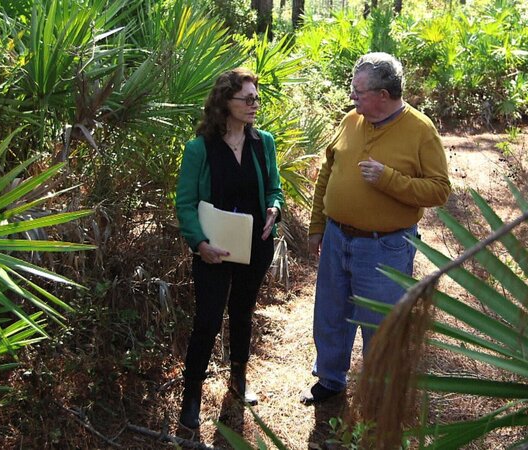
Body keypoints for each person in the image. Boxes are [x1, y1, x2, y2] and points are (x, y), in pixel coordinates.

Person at [301, 52, 451, 404]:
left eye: (358, 92)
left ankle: (379, 394)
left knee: (379, 324)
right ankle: (330, 379)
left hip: (384, 246)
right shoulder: (351, 119)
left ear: (384, 95)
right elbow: (328, 170)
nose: (352, 98)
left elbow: (440, 190)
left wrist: (390, 180)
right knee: (331, 314)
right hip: (338, 238)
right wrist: (317, 225)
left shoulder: (420, 130)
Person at [175, 68, 283, 429]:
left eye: (256, 97)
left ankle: (238, 378)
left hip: (255, 245)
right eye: (247, 98)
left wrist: (274, 208)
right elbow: (186, 203)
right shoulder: (199, 148)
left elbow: (274, 188)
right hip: (212, 250)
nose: (255, 104)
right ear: (225, 102)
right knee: (206, 319)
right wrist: (199, 243)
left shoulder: (262, 142)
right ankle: (191, 396)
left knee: (242, 311)